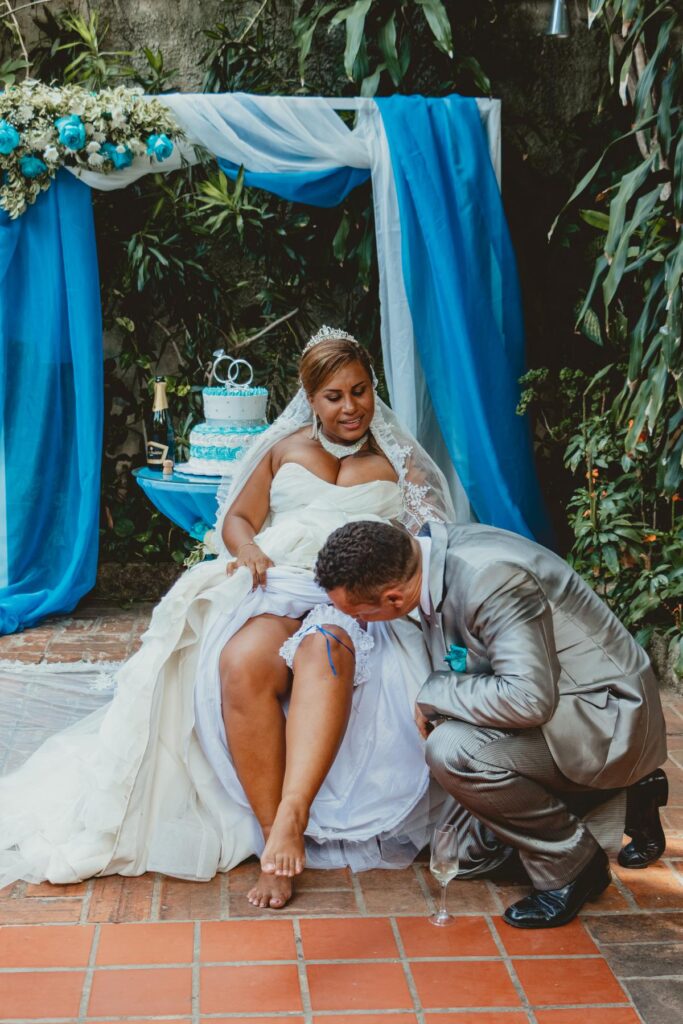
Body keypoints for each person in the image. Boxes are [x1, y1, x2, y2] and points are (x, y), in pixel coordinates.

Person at [0, 327, 458, 910]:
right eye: (334, 396)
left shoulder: (402, 463)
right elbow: (238, 519)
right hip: (282, 579)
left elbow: (428, 541)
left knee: (325, 654)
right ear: (310, 398)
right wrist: (249, 551)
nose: (350, 407)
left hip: (352, 596)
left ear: (374, 389)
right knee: (240, 662)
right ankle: (273, 836)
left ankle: (292, 820)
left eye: (360, 391)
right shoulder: (281, 448)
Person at [315, 518, 669, 928]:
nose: (362, 624)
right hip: (561, 706)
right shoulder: (427, 557)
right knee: (462, 856)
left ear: (394, 598)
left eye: (361, 615)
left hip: (605, 718)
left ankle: (573, 863)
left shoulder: (491, 579)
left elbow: (528, 699)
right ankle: (627, 796)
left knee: (452, 751)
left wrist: (435, 692)